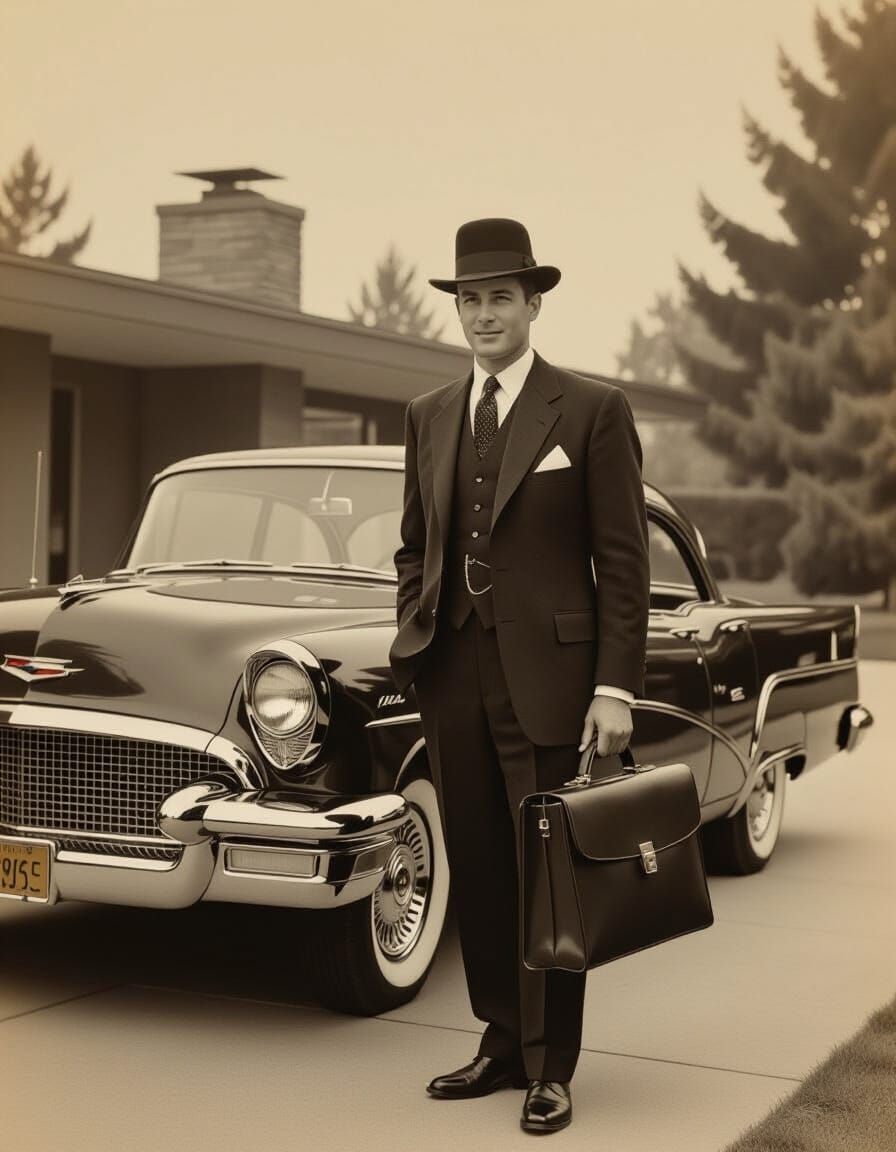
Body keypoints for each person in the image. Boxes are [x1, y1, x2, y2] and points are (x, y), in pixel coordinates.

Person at [388, 217, 650, 1134]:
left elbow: (623, 564)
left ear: (534, 304)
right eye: (470, 298)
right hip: (452, 672)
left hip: (553, 683)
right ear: (456, 311)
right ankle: (500, 1042)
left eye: (501, 296)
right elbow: (412, 547)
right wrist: (413, 638)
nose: (484, 312)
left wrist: (614, 686)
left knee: (550, 872)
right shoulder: (426, 415)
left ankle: (552, 1064)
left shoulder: (590, 410)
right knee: (483, 864)